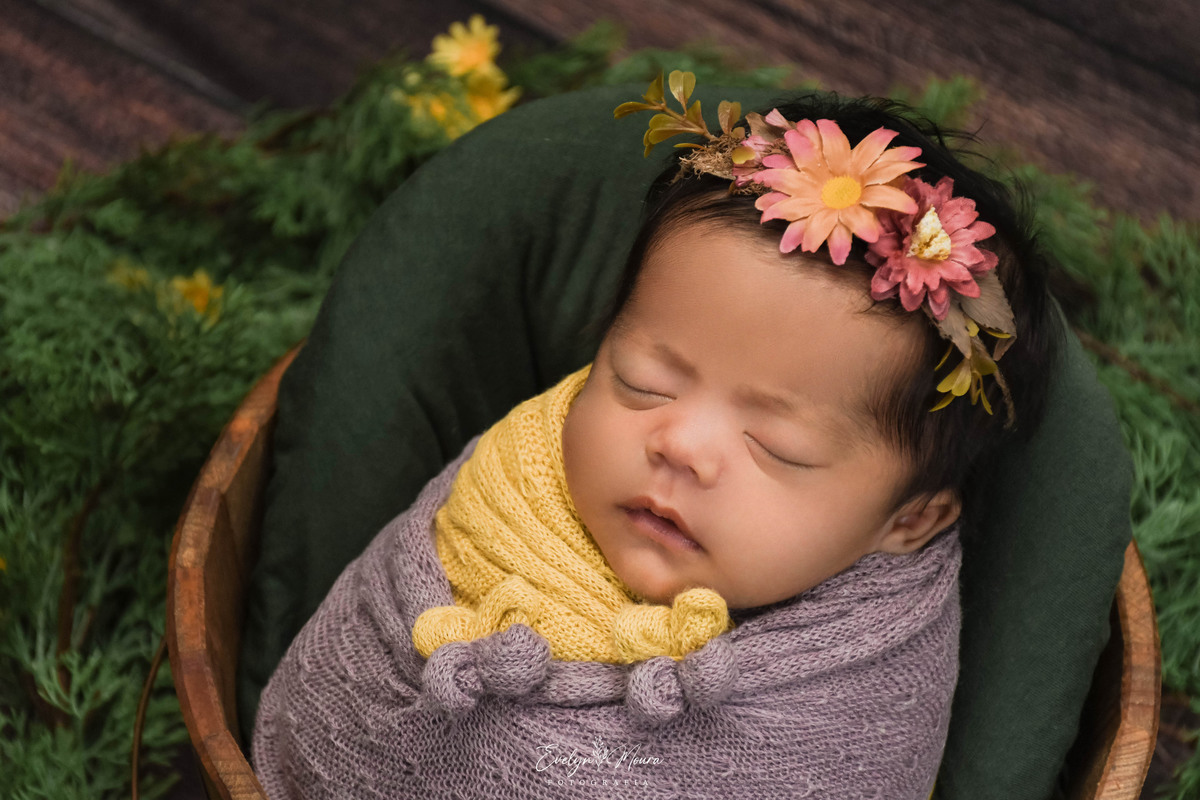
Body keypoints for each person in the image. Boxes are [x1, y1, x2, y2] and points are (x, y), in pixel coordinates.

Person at [251, 76, 1062, 799]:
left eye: (777, 447)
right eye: (642, 382)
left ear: (907, 520)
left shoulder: (851, 701)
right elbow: (342, 692)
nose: (679, 445)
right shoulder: (506, 487)